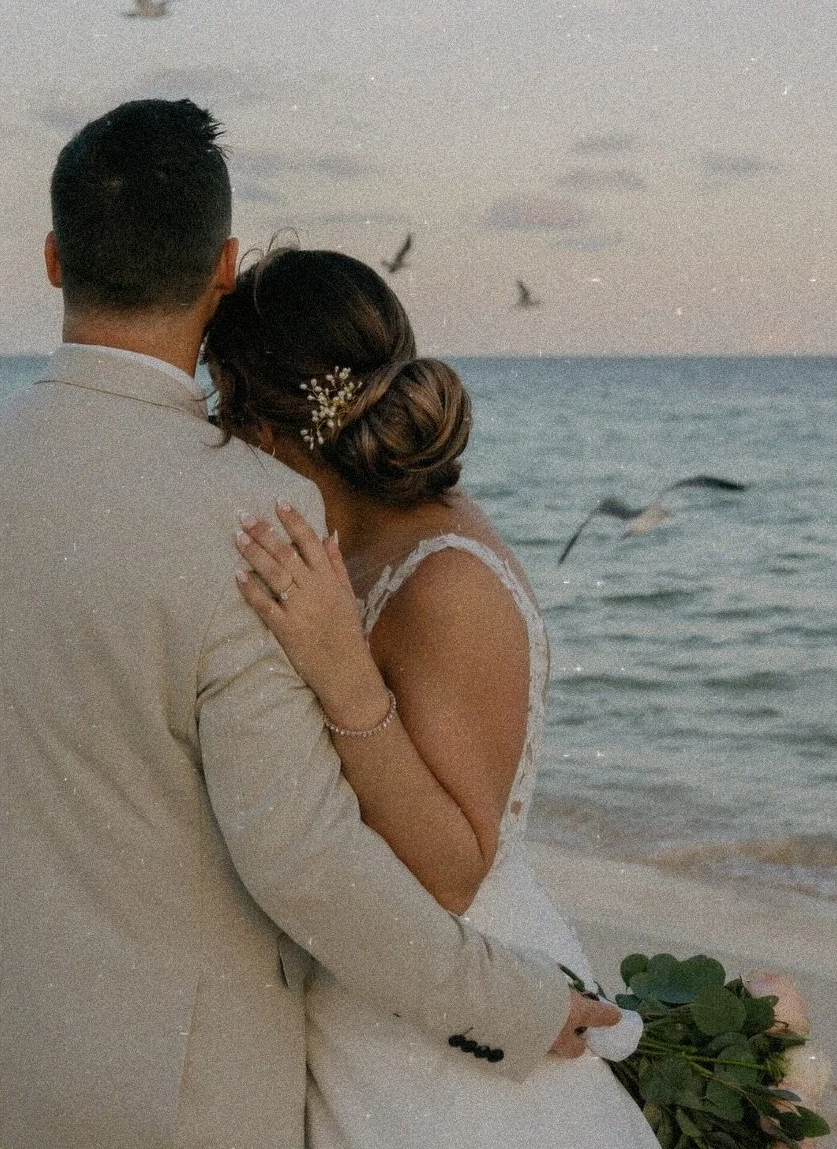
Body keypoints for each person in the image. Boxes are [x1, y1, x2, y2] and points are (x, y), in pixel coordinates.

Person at [0, 100, 616, 1149]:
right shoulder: (250, 524)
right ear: (224, 266)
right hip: (175, 1091)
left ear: (54, 259)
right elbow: (304, 861)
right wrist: (516, 1007)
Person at [206, 244, 658, 1148]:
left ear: (263, 425)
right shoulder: (340, 536)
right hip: (365, 992)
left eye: (221, 400)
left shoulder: (445, 580)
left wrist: (341, 667)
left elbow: (451, 870)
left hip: (456, 1035)